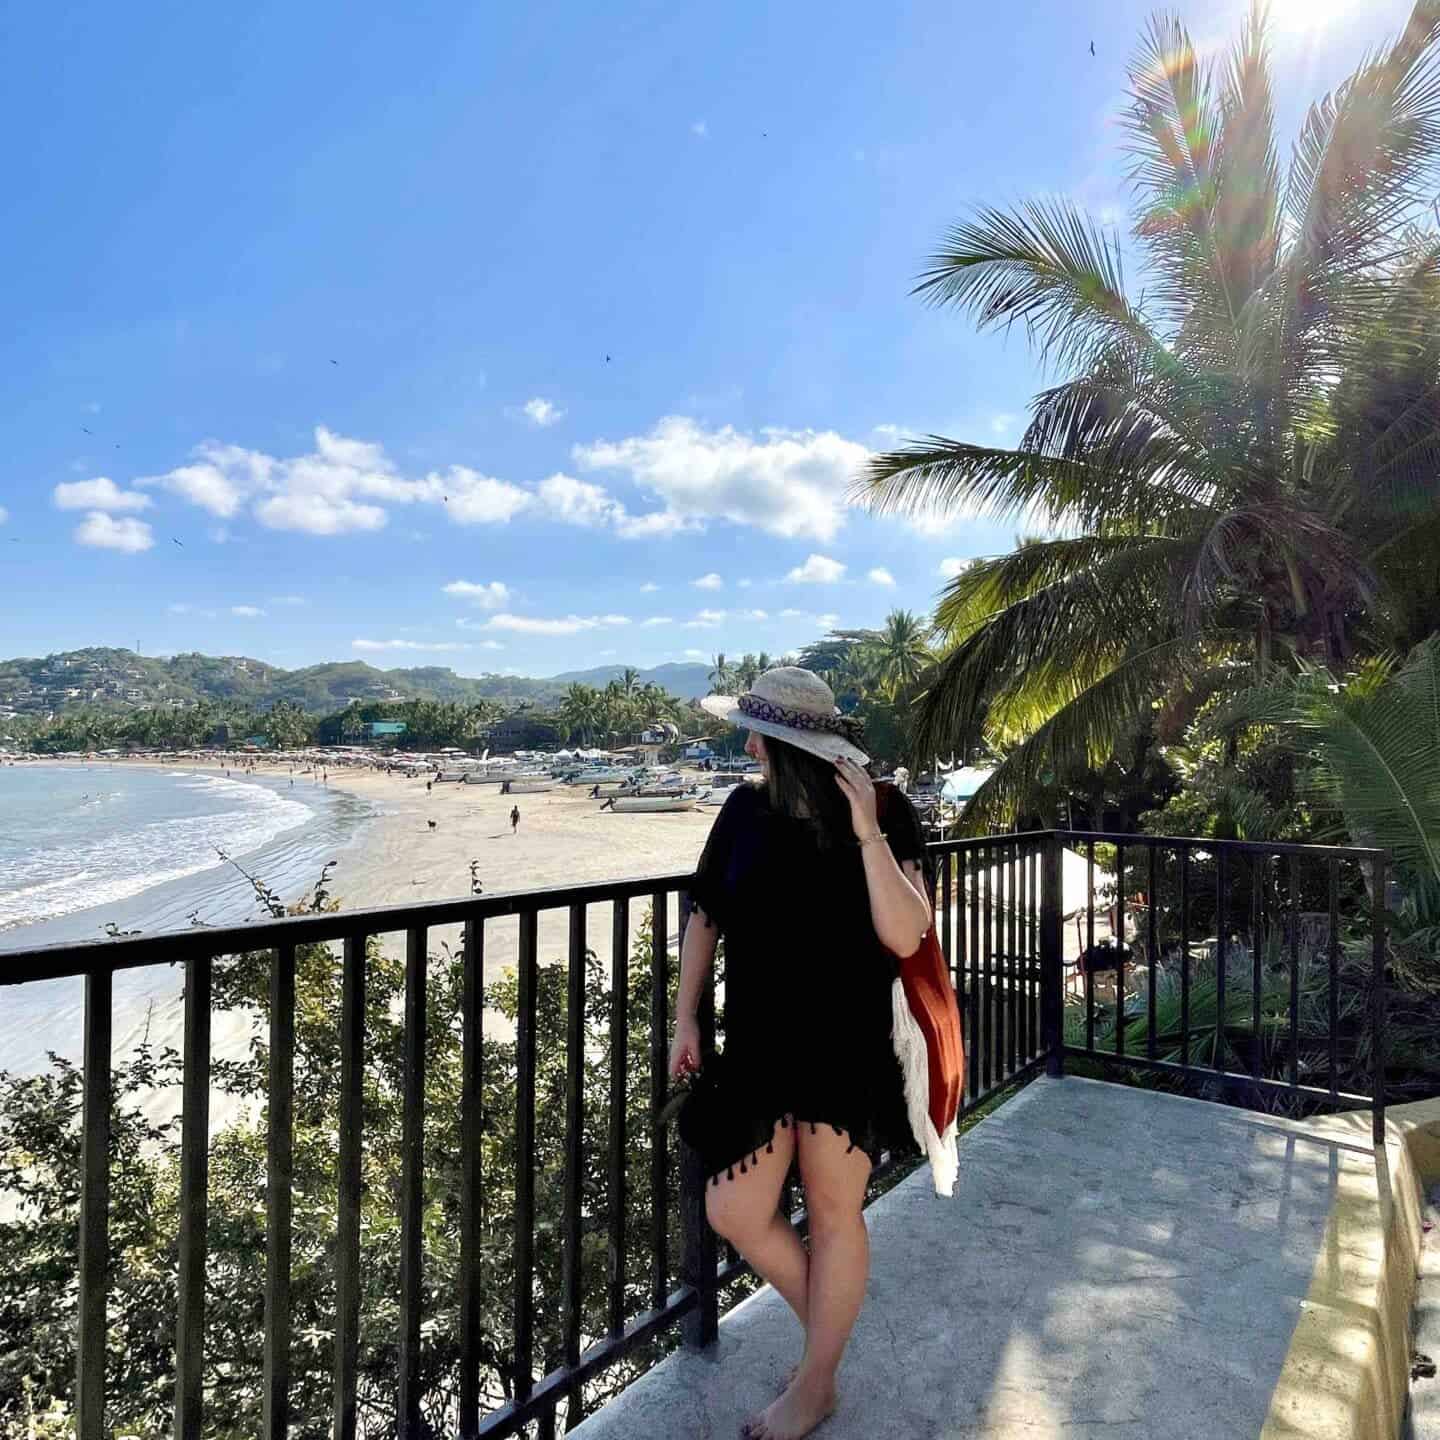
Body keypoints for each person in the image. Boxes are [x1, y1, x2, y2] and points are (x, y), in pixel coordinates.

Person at [670, 667, 931, 1440]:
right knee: (734, 1209)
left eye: (758, 735)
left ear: (788, 745)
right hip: (756, 1043)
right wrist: (686, 1016)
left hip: (845, 1048)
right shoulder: (744, 809)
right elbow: (705, 916)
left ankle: (816, 1382)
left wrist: (868, 831)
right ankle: (826, 1342)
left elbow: (909, 934)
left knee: (832, 1211)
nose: (745, 744)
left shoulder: (885, 810)